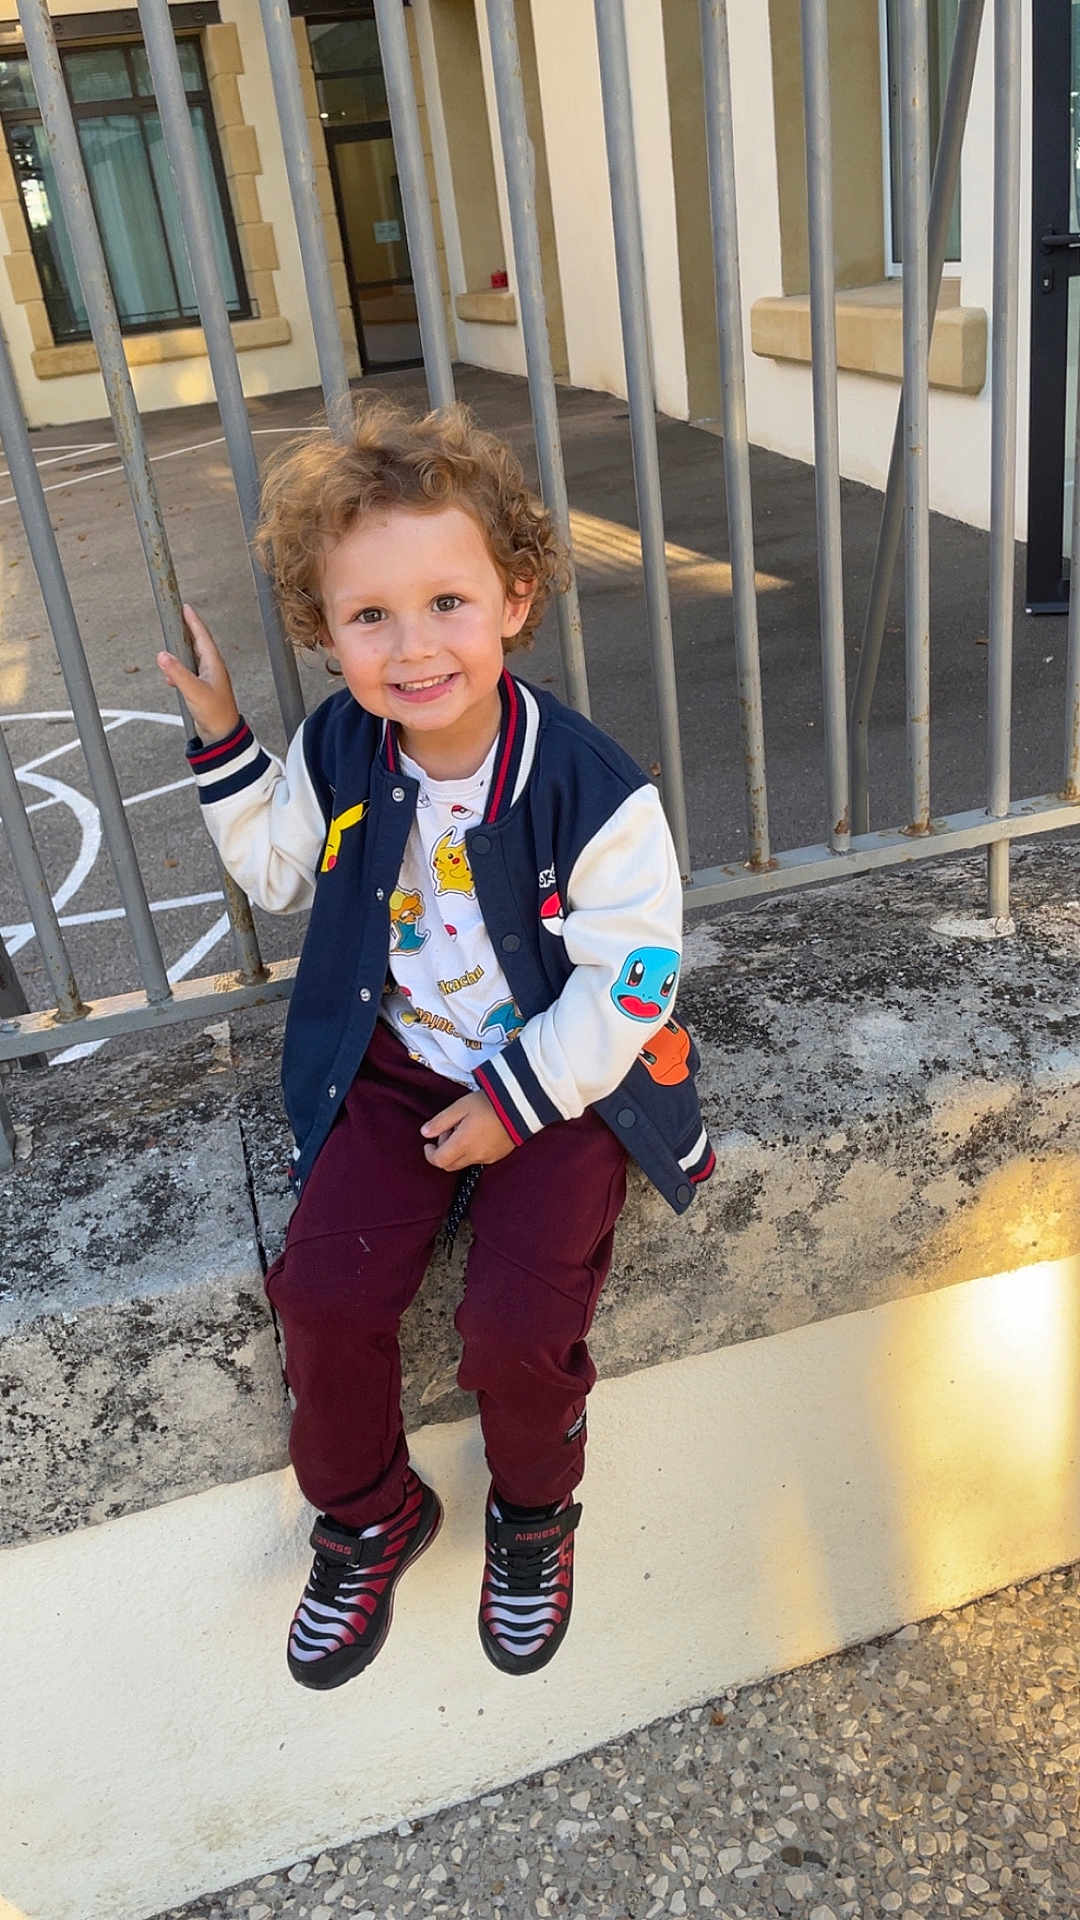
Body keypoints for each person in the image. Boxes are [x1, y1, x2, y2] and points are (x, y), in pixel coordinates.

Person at [157, 396, 714, 1689]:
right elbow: (279, 869)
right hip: (398, 1068)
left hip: (559, 1081)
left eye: (447, 603)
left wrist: (518, 1101)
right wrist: (223, 739)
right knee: (320, 1294)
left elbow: (634, 981)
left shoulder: (588, 786)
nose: (413, 648)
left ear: (515, 598)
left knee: (515, 1326)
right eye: (370, 616)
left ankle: (534, 1510)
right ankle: (366, 1511)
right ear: (327, 630)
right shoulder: (345, 742)